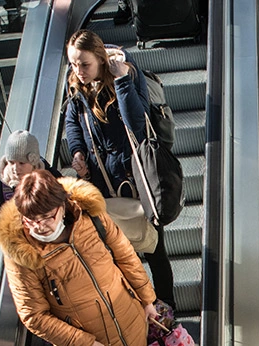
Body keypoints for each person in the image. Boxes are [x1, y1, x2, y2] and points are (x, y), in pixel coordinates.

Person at [0, 169, 158, 346]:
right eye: (31, 220)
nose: (39, 226)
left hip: (128, 330)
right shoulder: (20, 253)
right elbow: (32, 315)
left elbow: (125, 256)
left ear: (63, 205)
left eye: (47, 217)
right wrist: (84, 344)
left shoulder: (91, 217)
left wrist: (147, 300)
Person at [64, 29, 177, 311]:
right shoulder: (78, 87)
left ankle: (167, 307)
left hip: (138, 179)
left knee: (154, 249)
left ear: (101, 60)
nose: (79, 71)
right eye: (73, 64)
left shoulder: (127, 73)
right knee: (117, 253)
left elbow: (136, 122)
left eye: (85, 64)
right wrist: (77, 151)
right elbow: (72, 122)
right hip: (102, 184)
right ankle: (139, 309)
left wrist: (123, 79)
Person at [0, 130, 51, 225]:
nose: (16, 168)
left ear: (33, 163)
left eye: (22, 163)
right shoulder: (1, 187)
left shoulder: (49, 177)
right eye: (11, 162)